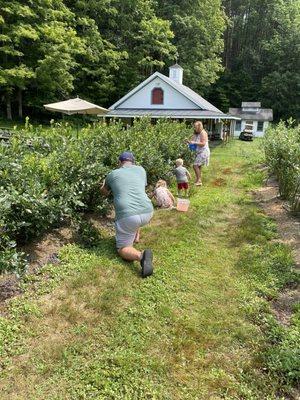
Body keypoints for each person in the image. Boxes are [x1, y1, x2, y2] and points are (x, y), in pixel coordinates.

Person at [100, 151, 154, 278]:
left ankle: (141, 256)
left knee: (122, 249)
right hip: (147, 211)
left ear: (119, 163)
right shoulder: (141, 170)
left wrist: (104, 184)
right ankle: (136, 234)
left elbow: (104, 192)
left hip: (128, 216)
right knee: (135, 213)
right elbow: (138, 188)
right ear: (133, 162)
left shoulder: (112, 174)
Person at [188, 121, 210, 186]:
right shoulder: (196, 133)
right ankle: (198, 180)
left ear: (199, 126)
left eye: (195, 127)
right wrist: (188, 141)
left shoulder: (203, 133)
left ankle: (199, 180)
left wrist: (194, 143)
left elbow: (203, 144)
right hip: (199, 152)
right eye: (194, 127)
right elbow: (192, 140)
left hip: (203, 152)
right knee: (198, 166)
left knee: (195, 165)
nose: (194, 128)